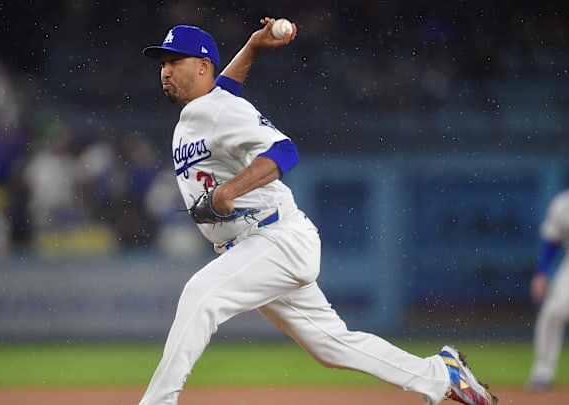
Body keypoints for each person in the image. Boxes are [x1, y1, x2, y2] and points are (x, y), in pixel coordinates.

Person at [139, 18, 497, 405]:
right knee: (332, 346)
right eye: (162, 63)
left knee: (200, 294)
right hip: (255, 247)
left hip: (274, 238)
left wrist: (230, 190)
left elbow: (284, 151)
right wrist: (253, 48)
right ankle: (439, 373)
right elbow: (224, 88)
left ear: (202, 66)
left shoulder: (223, 110)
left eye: (175, 61)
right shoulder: (205, 108)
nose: (165, 71)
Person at [527, 158, 569, 390]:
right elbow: (551, 242)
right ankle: (543, 371)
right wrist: (542, 273)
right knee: (552, 312)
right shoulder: (563, 205)